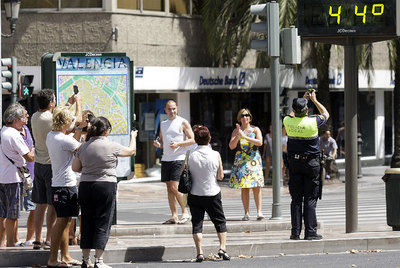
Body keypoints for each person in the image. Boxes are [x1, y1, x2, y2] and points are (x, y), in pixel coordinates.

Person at [72, 116, 137, 268]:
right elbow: (131, 151)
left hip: (86, 186)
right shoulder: (112, 146)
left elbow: (75, 168)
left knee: (86, 221)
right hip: (106, 185)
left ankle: (85, 259)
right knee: (103, 221)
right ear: (106, 131)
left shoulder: (83, 146)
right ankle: (99, 260)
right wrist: (133, 137)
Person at [31, 88, 80, 250]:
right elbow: (68, 121)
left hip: (38, 163)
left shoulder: (35, 116)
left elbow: (57, 117)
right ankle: (49, 239)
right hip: (52, 165)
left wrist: (68, 103)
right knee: (52, 204)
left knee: (40, 204)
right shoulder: (50, 119)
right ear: (51, 103)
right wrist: (76, 103)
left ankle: (37, 239)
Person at [283, 89, 329, 240]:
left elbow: (291, 114)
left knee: (296, 199)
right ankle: (310, 232)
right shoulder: (313, 121)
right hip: (311, 163)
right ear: (307, 110)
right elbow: (326, 113)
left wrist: (302, 101)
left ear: (295, 111)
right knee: (310, 198)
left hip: (295, 163)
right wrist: (313, 99)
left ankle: (295, 232)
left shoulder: (287, 121)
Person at [46, 103, 83, 267]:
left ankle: (65, 256)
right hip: (66, 185)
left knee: (65, 221)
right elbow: (83, 150)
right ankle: (53, 259)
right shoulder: (65, 140)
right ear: (65, 122)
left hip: (58, 184)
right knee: (61, 222)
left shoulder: (51, 136)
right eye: (70, 122)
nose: (72, 124)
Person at [187, 125, 230, 262]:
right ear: (209, 139)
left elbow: (184, 172)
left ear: (195, 139)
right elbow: (221, 176)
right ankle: (222, 248)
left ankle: (199, 252)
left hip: (195, 193)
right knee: (220, 222)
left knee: (197, 224)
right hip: (213, 193)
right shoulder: (216, 155)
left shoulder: (189, 155)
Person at [153, 100, 194, 224]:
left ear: (177, 108)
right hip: (166, 159)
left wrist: (178, 144)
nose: (172, 111)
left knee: (175, 187)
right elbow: (162, 142)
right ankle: (174, 215)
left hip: (179, 158)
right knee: (169, 189)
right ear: (165, 110)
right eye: (169, 109)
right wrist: (158, 144)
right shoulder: (163, 124)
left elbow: (193, 139)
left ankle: (186, 212)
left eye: (174, 109)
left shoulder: (183, 122)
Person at [0, 103, 35, 247]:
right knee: (12, 214)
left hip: (3, 176)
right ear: (15, 119)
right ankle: (10, 243)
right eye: (23, 118)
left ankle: (2, 243)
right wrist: (33, 149)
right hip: (13, 178)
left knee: (3, 213)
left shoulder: (3, 131)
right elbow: (29, 157)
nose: (25, 120)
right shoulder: (14, 134)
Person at [229, 108, 264, 221]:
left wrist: (245, 137)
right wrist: (238, 136)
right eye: (242, 115)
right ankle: (246, 213)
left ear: (250, 117)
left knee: (256, 186)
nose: (245, 117)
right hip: (242, 161)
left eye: (247, 115)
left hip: (253, 160)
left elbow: (259, 142)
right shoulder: (236, 131)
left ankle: (259, 212)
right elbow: (231, 146)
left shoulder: (255, 129)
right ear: (239, 118)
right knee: (244, 187)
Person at [21, 122, 36, 247]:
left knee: (34, 207)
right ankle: (13, 239)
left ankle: (31, 237)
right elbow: (29, 155)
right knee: (12, 210)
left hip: (30, 173)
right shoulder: (14, 133)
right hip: (20, 173)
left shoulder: (25, 128)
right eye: (24, 115)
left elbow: (30, 150)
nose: (27, 117)